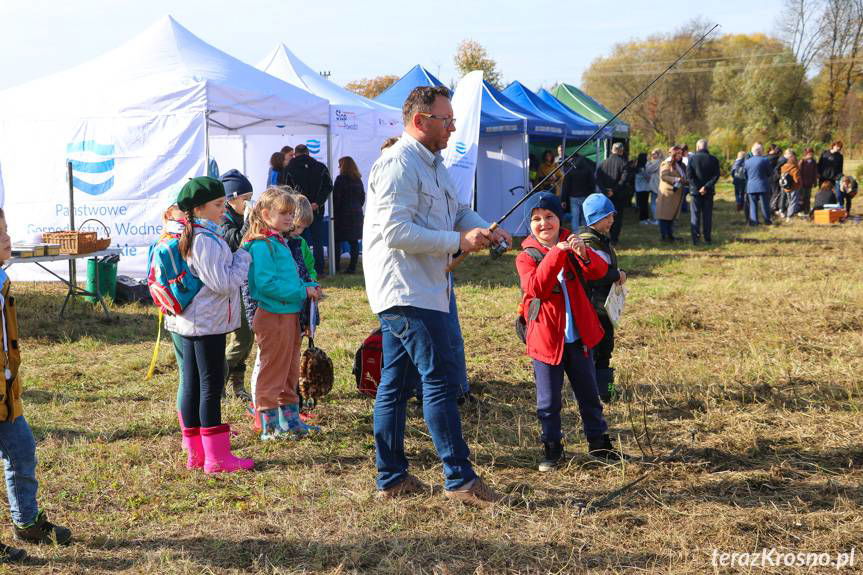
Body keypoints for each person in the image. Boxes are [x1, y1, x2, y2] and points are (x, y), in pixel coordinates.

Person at [363, 85, 511, 506]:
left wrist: (484, 227)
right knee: (440, 380)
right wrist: (458, 241)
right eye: (445, 120)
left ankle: (391, 478)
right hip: (406, 290)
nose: (451, 127)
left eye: (452, 120)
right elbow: (396, 232)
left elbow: (458, 209)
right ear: (419, 121)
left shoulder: (434, 163)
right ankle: (460, 480)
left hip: (427, 287)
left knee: (396, 383)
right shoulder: (397, 165)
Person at [516, 192, 624, 472]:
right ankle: (552, 449)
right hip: (546, 340)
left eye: (549, 217)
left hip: (578, 338)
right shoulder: (526, 257)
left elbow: (600, 272)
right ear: (529, 225)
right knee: (549, 402)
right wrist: (556, 253)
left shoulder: (573, 244)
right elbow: (537, 288)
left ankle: (599, 444)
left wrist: (583, 252)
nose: (544, 224)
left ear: (559, 218)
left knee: (589, 394)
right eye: (536, 219)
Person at [166, 176, 253, 474]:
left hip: (190, 322)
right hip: (207, 323)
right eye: (217, 204)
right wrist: (243, 255)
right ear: (199, 208)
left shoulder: (194, 234)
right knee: (209, 386)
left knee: (192, 384)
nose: (222, 209)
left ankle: (196, 453)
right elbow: (224, 283)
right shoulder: (205, 239)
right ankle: (217, 458)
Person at [0, 208, 72, 563]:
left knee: (23, 448)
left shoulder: (1, 280)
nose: (7, 239)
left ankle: (26, 521)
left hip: (5, 392)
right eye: (0, 234)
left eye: (6, 230)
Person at [243, 188, 319, 440]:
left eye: (291, 213)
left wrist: (307, 287)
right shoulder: (261, 246)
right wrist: (301, 290)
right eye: (284, 213)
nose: (290, 218)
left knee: (289, 368)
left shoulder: (278, 241)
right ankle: (269, 424)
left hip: (288, 313)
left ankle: (290, 419)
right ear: (265, 214)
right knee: (272, 369)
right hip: (273, 315)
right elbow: (265, 284)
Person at [578, 193, 627, 403]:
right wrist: (616, 275)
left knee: (606, 349)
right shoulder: (588, 244)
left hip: (603, 306)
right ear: (594, 218)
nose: (612, 220)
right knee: (597, 351)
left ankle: (606, 390)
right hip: (593, 307)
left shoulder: (600, 240)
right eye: (607, 217)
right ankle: (599, 393)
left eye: (612, 216)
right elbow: (594, 274)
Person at [220, 169, 254, 402]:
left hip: (247, 284)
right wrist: (250, 222)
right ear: (231, 199)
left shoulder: (242, 215)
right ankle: (217, 380)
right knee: (242, 336)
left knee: (248, 337)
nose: (250, 202)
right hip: (232, 287)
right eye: (246, 198)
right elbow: (233, 243)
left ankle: (237, 385)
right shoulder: (223, 219)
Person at [286, 144, 333, 276]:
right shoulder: (320, 167)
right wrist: (317, 202)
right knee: (317, 240)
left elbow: (286, 189)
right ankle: (319, 269)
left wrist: (298, 203)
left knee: (297, 238)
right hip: (316, 210)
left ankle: (300, 269)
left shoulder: (290, 167)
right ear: (308, 153)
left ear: (296, 154)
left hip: (297, 211)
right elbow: (328, 186)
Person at [333, 156, 365, 274]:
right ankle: (352, 267)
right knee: (354, 242)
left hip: (342, 215)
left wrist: (335, 212)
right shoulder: (358, 180)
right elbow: (362, 198)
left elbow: (336, 198)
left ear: (343, 166)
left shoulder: (340, 179)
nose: (338, 167)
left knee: (336, 241)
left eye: (339, 165)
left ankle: (336, 266)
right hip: (356, 214)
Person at [686, 139, 720, 244]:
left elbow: (689, 176)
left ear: (697, 147)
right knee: (707, 215)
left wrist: (698, 187)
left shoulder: (692, 159)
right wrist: (705, 187)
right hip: (708, 191)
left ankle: (695, 239)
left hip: (695, 192)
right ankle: (707, 237)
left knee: (695, 215)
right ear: (707, 147)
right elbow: (716, 175)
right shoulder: (714, 159)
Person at [596, 142, 630, 244]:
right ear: (622, 151)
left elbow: (597, 178)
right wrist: (613, 190)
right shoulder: (624, 163)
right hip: (618, 195)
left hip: (606, 195)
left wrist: (605, 190)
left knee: (605, 216)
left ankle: (606, 236)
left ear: (612, 150)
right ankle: (614, 238)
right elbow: (624, 180)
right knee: (617, 217)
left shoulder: (603, 163)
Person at [656, 146, 686, 241]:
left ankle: (670, 235)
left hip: (675, 194)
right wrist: (676, 179)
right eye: (678, 154)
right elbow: (663, 176)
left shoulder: (679, 164)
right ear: (674, 154)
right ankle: (664, 236)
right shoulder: (666, 163)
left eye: (681, 154)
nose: (680, 156)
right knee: (664, 216)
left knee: (670, 216)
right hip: (667, 194)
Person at [560, 153, 595, 229]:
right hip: (585, 196)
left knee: (575, 217)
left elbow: (566, 186)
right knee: (584, 216)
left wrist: (563, 199)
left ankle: (576, 234)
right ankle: (584, 234)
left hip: (574, 197)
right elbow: (592, 184)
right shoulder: (588, 169)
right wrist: (592, 195)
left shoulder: (570, 170)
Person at [744, 143, 774, 226]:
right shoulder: (765, 160)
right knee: (764, 205)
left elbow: (745, 174)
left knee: (753, 205)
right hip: (762, 185)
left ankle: (754, 222)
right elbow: (770, 173)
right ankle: (767, 221)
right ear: (761, 151)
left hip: (751, 186)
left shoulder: (747, 162)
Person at [779, 150, 802, 220]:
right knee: (793, 202)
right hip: (794, 187)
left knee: (789, 201)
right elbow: (796, 180)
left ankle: (787, 213)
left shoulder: (783, 167)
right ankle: (789, 216)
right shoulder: (795, 169)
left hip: (786, 187)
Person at [799, 148, 818, 216]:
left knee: (808, 196)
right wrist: (801, 182)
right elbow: (799, 173)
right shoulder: (802, 161)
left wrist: (815, 182)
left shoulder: (813, 161)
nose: (811, 154)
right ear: (806, 153)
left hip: (809, 183)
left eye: (812, 153)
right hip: (802, 183)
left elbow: (815, 172)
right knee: (802, 197)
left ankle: (807, 210)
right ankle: (801, 210)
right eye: (809, 153)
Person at [633, 152, 652, 224]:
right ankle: (642, 219)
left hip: (644, 188)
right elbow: (647, 177)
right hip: (641, 189)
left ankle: (646, 218)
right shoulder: (640, 168)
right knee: (642, 205)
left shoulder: (641, 167)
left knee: (645, 204)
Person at [646, 148, 663, 223]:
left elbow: (649, 170)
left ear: (658, 154)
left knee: (654, 202)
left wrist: (648, 163)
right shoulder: (661, 161)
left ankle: (657, 219)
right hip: (658, 183)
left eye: (654, 154)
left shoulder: (658, 162)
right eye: (651, 154)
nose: (652, 155)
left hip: (656, 184)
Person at [731, 151, 748, 219]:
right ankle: (742, 205)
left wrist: (734, 177)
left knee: (737, 193)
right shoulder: (745, 162)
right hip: (743, 180)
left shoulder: (735, 162)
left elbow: (732, 171)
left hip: (737, 180)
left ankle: (738, 205)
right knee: (742, 193)